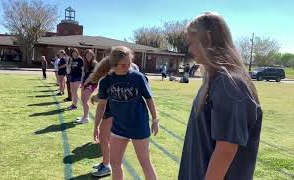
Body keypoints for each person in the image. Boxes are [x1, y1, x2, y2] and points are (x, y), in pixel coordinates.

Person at [178, 12, 262, 180]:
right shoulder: (214, 79)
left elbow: (226, 150)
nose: (189, 49)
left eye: (192, 43)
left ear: (208, 38)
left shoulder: (229, 83)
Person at [94, 46, 159, 180]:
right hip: (118, 128)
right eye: (124, 65)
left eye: (129, 64)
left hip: (138, 126)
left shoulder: (138, 78)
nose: (127, 67)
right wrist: (96, 126)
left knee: (145, 162)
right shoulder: (106, 81)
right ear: (114, 64)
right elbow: (101, 105)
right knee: (115, 162)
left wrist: (155, 119)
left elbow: (149, 99)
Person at [90, 48, 142, 177]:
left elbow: (127, 89)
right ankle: (105, 162)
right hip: (110, 105)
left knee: (106, 137)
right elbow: (105, 86)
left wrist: (98, 97)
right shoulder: (108, 65)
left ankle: (108, 165)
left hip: (116, 108)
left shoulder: (130, 67)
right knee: (103, 137)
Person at [76, 49, 98, 123]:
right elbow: (83, 74)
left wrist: (84, 84)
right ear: (85, 56)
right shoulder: (85, 63)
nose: (89, 56)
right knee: (83, 100)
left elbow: (91, 76)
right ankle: (84, 115)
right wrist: (82, 83)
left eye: (91, 55)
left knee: (85, 101)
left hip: (91, 84)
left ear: (93, 55)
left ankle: (86, 118)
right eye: (87, 55)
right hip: (85, 83)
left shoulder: (95, 64)